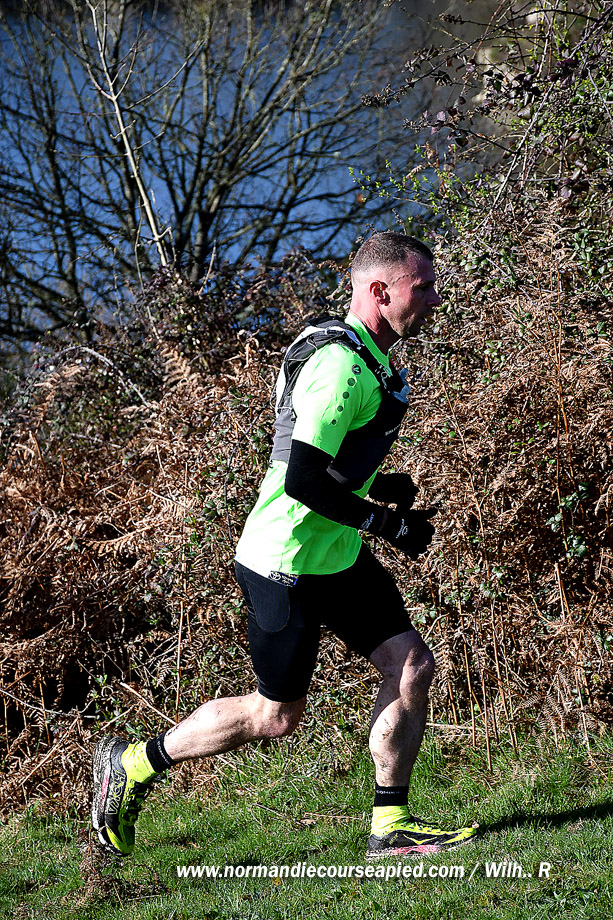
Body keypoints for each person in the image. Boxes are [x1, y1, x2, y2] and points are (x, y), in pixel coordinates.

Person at [92, 232, 477, 859]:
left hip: (336, 553)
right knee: (274, 717)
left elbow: (328, 462)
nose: (435, 299)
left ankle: (390, 825)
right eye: (424, 287)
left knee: (410, 664)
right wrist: (389, 525)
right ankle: (134, 763)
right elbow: (302, 480)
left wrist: (384, 485)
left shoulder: (369, 356)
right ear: (381, 291)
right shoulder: (339, 367)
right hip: (285, 561)